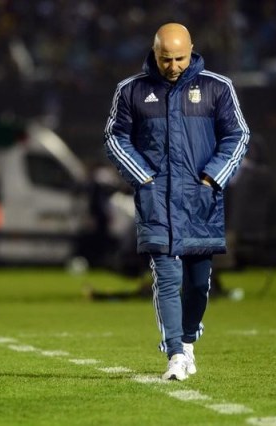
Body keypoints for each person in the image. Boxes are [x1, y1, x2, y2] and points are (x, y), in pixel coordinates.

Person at [104, 23, 250, 380]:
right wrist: (145, 178)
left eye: (180, 58)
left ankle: (187, 338)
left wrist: (212, 177)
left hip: (201, 202)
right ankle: (175, 354)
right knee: (167, 280)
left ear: (192, 50)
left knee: (199, 285)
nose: (172, 65)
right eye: (165, 58)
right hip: (157, 203)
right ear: (154, 53)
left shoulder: (218, 88)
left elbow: (238, 135)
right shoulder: (131, 91)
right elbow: (115, 138)